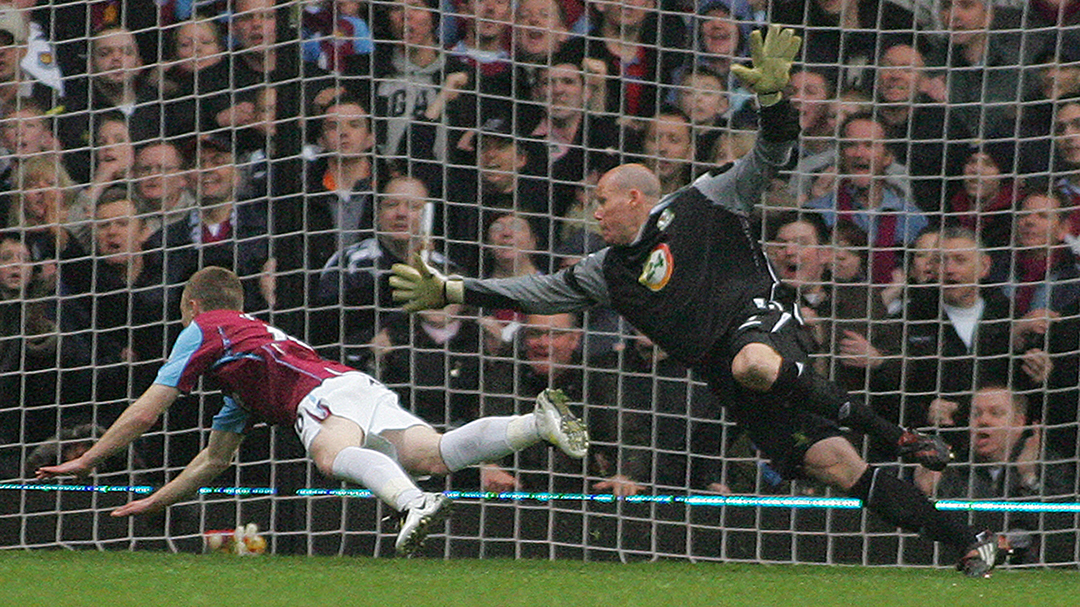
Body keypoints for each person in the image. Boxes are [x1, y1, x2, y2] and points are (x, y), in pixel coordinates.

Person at [390, 25, 1010, 577]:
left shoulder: (705, 199)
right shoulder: (609, 269)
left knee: (755, 364)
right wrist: (455, 288)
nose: (594, 211)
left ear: (636, 200)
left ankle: (895, 432)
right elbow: (539, 290)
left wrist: (773, 99)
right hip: (729, 376)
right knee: (836, 467)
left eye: (602, 201)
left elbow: (773, 153)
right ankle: (970, 541)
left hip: (762, 324)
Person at [36, 266, 591, 557]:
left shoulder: (208, 328)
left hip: (320, 396)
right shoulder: (241, 379)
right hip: (351, 383)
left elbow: (147, 411)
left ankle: (412, 503)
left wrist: (89, 459)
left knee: (329, 455)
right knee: (436, 453)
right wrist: (153, 503)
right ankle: (533, 423)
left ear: (195, 308)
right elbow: (212, 462)